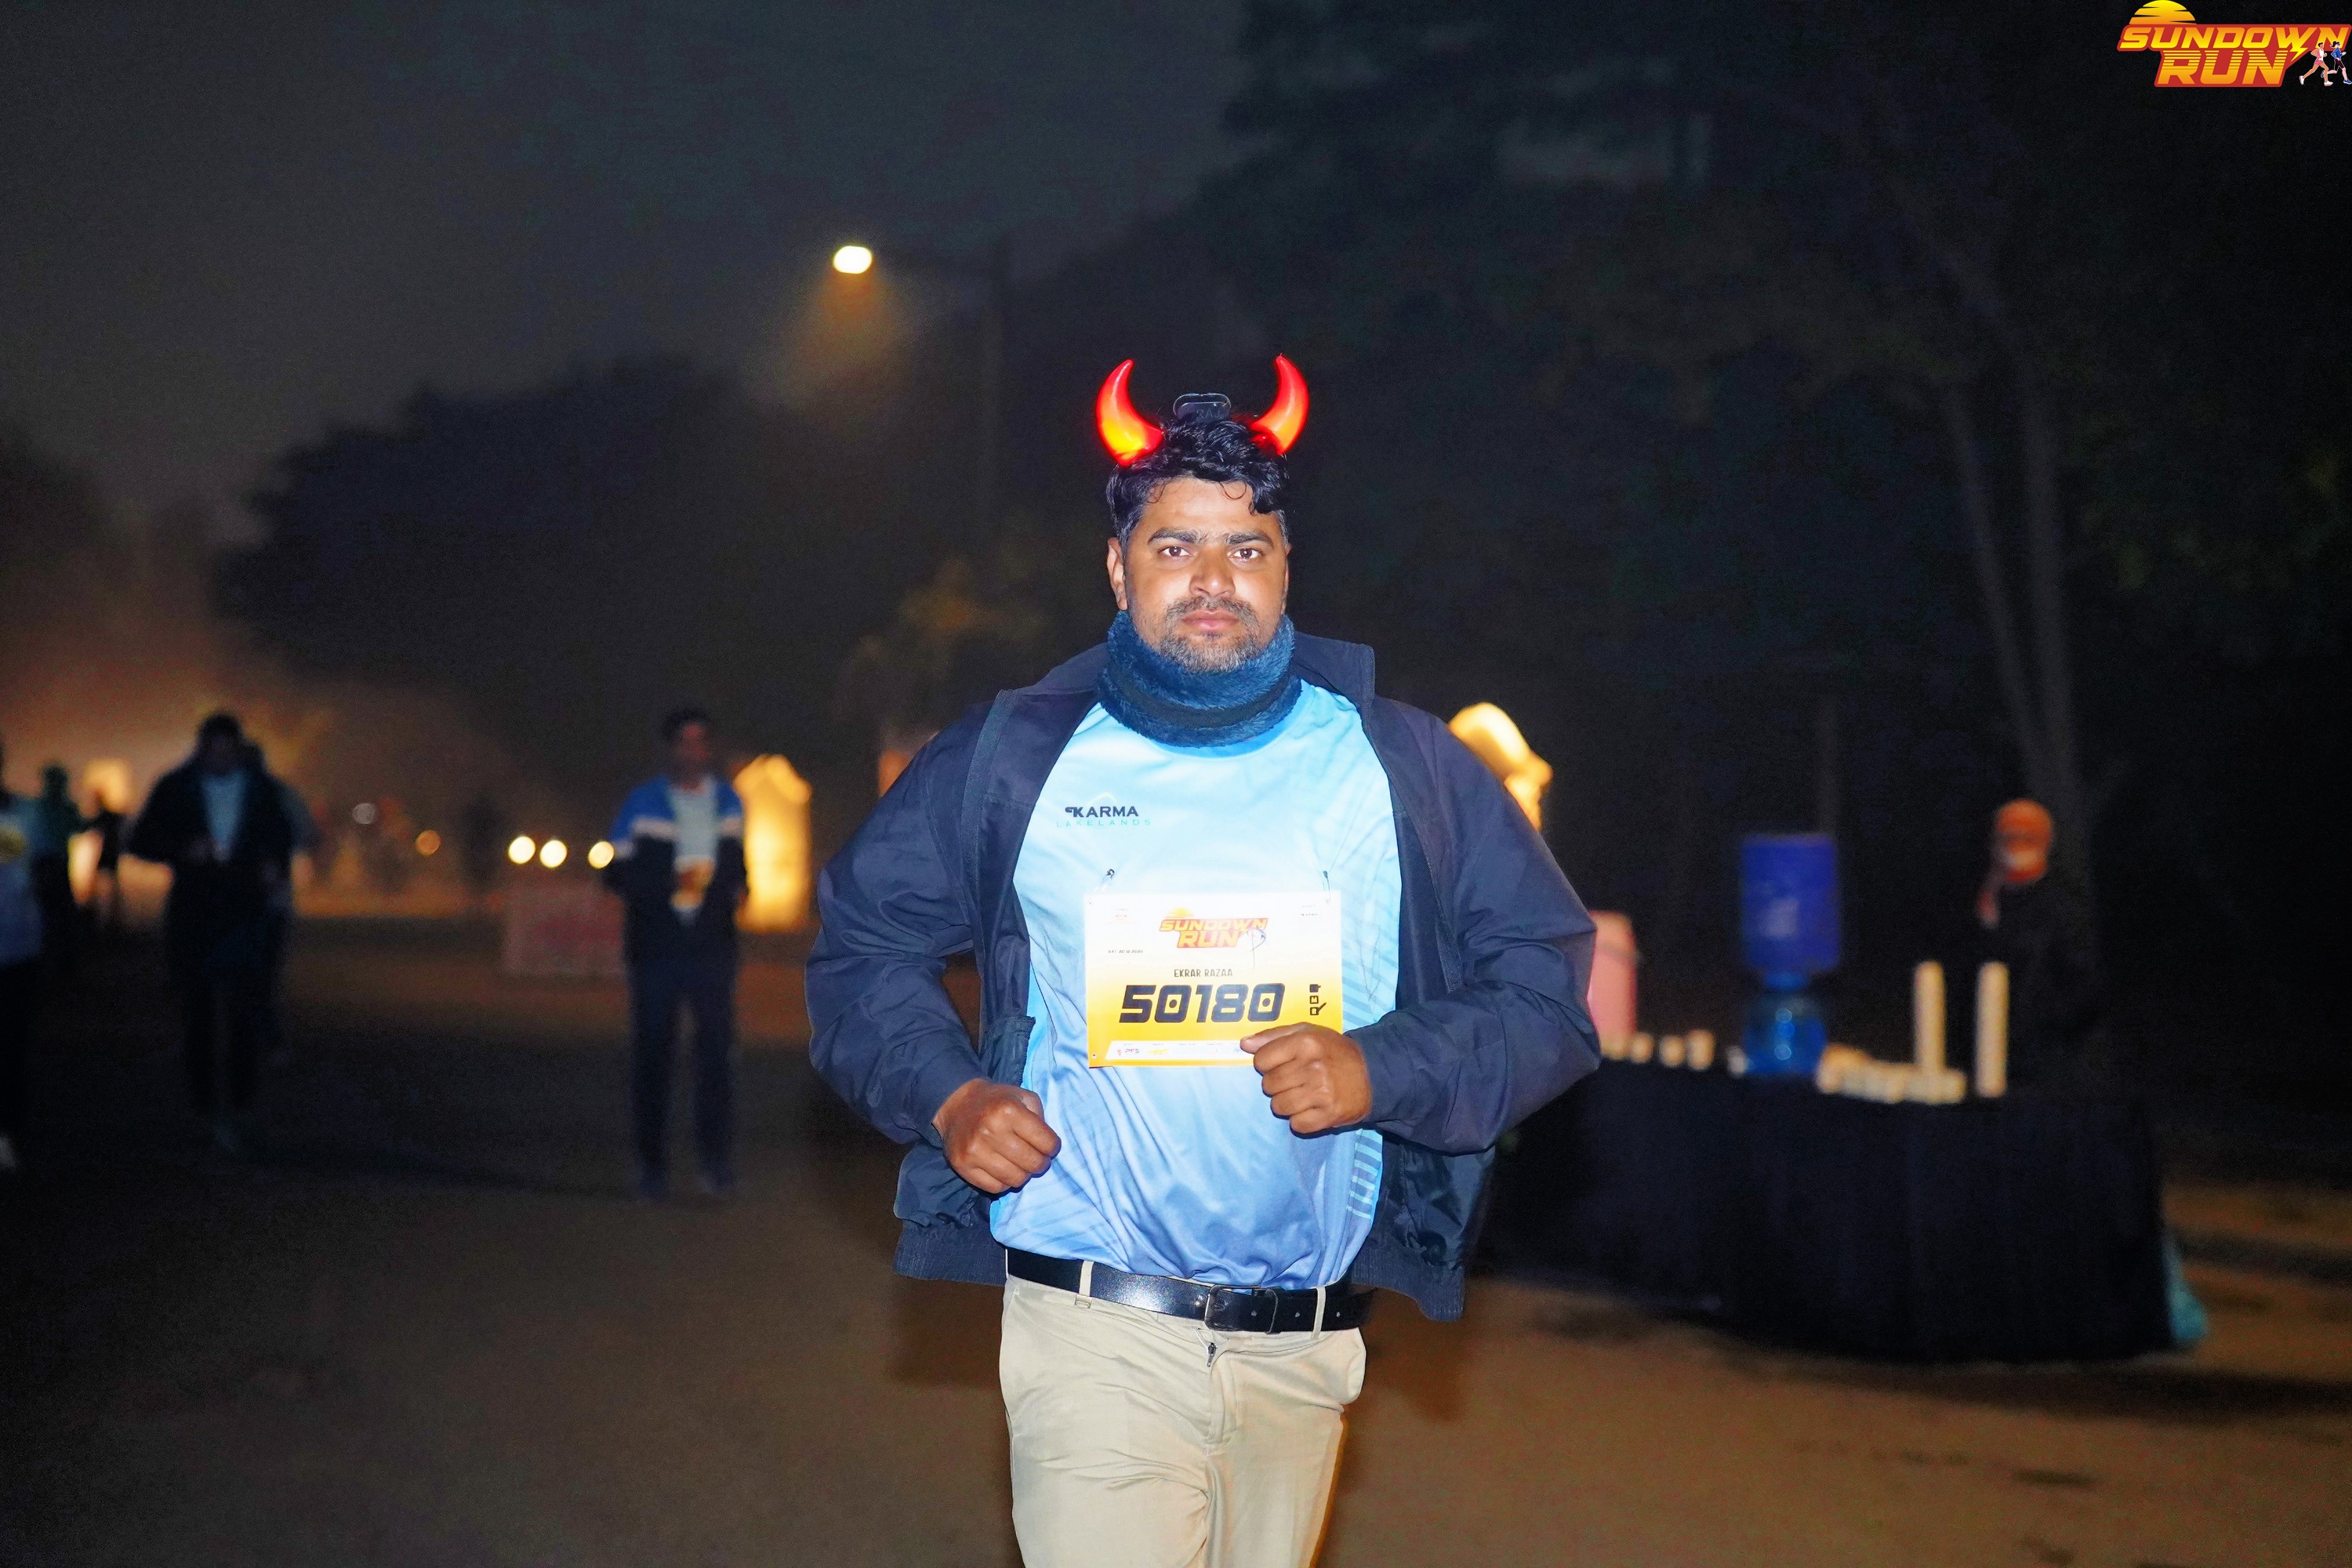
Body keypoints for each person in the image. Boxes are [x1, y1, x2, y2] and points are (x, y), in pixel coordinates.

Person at [808, 359, 1599, 1568]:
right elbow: (864, 947)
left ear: (1287, 568)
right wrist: (949, 1094)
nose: (1214, 580)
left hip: (1306, 1349)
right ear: (1118, 568)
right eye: (1176, 548)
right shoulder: (1017, 757)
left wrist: (1382, 1068)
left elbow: (1547, 989)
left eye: (1247, 548)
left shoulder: (1404, 768)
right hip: (1094, 1325)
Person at [127, 713, 295, 1153]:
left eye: (227, 752)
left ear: (237, 750)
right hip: (195, 916)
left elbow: (281, 836)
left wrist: (271, 866)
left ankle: (239, 1107)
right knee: (198, 1016)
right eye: (213, 752)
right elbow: (141, 840)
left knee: (244, 1013)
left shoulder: (261, 789)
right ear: (201, 749)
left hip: (245, 914)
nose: (220, 760)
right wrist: (182, 849)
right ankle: (204, 1108)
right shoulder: (176, 786)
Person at [603, 708, 747, 1200]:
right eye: (685, 742)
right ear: (670, 748)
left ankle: (716, 1165)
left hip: (711, 948)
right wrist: (663, 884)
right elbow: (614, 873)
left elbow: (737, 865)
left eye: (702, 741)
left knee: (716, 1059)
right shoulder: (642, 803)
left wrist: (733, 889)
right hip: (656, 948)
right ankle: (651, 1168)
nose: (694, 751)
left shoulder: (728, 801)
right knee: (653, 1057)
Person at [1975, 797, 2102, 1091]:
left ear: (2046, 842)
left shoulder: (2065, 903)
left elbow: (2087, 986)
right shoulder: (1986, 900)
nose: (2016, 845)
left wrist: (2045, 1028)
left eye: (2028, 837)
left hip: (2046, 1063)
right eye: (2009, 836)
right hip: (1985, 1050)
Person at [247, 742, 317, 1066]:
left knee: (252, 975)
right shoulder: (282, 793)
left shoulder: (273, 795)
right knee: (262, 976)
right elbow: (307, 835)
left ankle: (252, 1040)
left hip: (261, 900)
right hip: (270, 899)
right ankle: (262, 1039)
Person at [0, 742, 45, 1176]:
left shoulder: (22, 815)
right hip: (18, 944)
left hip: (15, 948)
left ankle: (9, 1134)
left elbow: (34, 873)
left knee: (11, 1045)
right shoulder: (22, 815)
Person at [27, 764, 86, 977]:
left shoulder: (38, 807)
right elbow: (79, 827)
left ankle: (53, 959)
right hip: (50, 864)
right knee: (57, 911)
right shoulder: (57, 807)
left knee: (51, 911)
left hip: (48, 864)